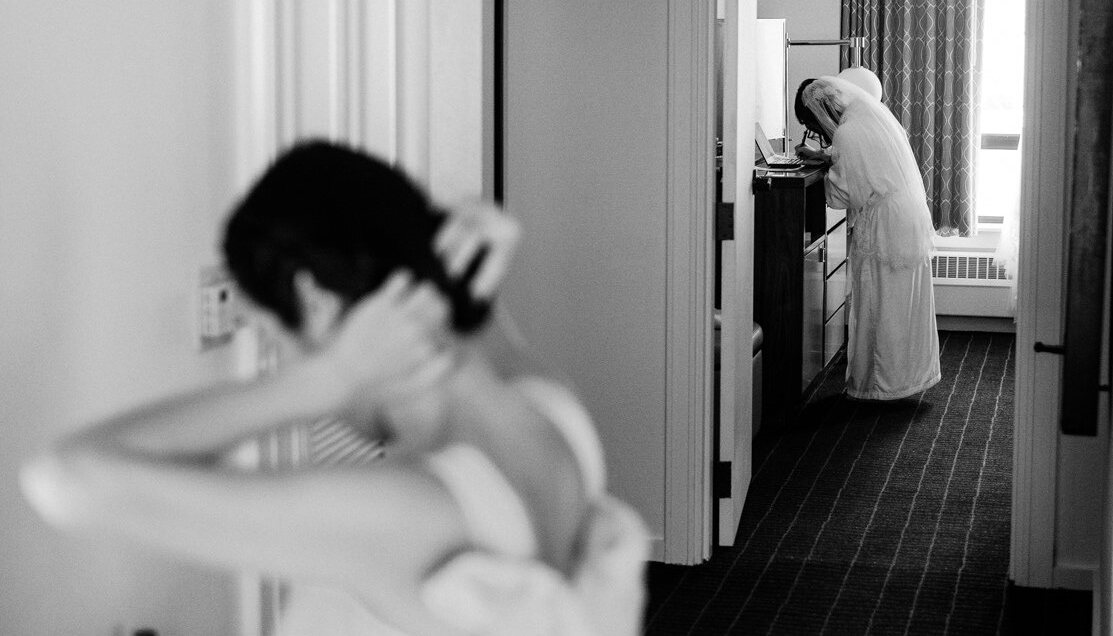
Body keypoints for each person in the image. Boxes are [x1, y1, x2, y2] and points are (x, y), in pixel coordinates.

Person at [20, 140, 648, 636]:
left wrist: (329, 378)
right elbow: (481, 333)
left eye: (274, 339)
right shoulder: (548, 407)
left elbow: (64, 480)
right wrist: (465, 273)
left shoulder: (404, 512)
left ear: (313, 304)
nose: (280, 362)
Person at [794, 76, 941, 400]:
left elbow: (843, 194)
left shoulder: (847, 131)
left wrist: (827, 170)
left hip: (884, 221)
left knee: (879, 299)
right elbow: (866, 158)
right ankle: (909, 377)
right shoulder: (867, 116)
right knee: (902, 300)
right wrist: (827, 156)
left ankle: (880, 385)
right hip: (905, 212)